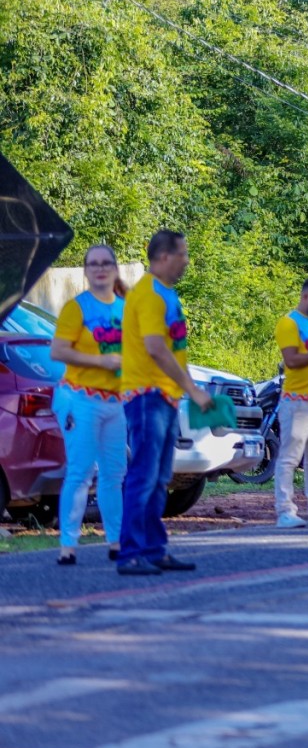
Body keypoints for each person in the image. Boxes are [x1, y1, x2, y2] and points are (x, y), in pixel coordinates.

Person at [118, 230, 214, 576]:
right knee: (144, 476)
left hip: (165, 398)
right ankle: (130, 553)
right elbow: (156, 347)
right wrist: (194, 389)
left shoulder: (167, 295)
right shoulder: (147, 295)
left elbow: (174, 349)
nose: (186, 261)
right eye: (182, 254)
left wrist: (183, 389)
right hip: (146, 396)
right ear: (163, 257)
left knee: (159, 478)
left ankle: (154, 549)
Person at [50, 245, 127, 566]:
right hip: (80, 398)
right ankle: (68, 545)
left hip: (116, 402)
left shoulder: (127, 309)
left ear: (114, 269)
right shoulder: (76, 308)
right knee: (81, 472)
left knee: (114, 474)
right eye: (93, 264)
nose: (99, 268)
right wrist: (100, 361)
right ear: (85, 270)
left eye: (105, 263)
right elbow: (58, 351)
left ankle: (117, 541)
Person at [272, 277, 308, 528]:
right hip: (297, 401)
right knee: (290, 458)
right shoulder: (288, 323)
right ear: (305, 297)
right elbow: (292, 360)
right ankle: (285, 510)